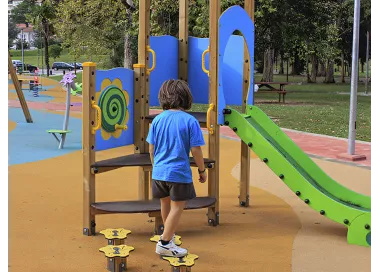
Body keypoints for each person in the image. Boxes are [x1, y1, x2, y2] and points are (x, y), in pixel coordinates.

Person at [146, 79, 207, 257]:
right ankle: (164, 242)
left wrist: (155, 166)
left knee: (165, 203)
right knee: (178, 207)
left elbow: (151, 148)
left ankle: (168, 236)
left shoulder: (157, 119)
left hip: (159, 171)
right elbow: (196, 150)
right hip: (178, 172)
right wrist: (202, 170)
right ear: (185, 97)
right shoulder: (190, 121)